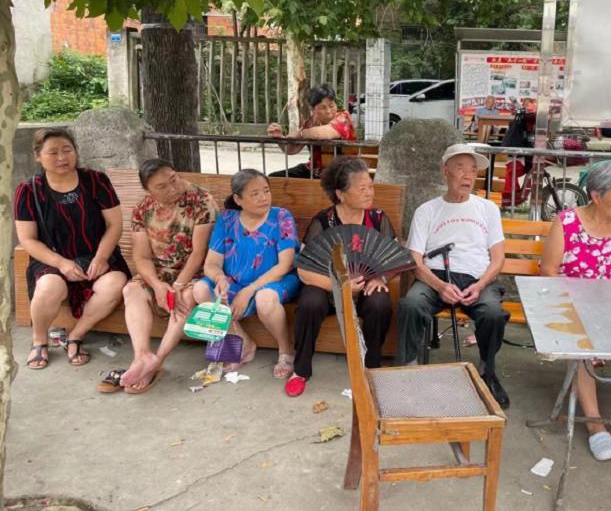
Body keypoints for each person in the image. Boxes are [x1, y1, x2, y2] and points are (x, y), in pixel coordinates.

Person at [540, 160, 611, 461]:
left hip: (606, 308)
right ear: (597, 196)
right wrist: (579, 306)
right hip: (567, 307)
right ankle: (595, 424)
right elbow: (548, 271)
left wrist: (610, 312)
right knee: (581, 345)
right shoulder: (566, 222)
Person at [397, 143, 510, 408]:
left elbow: (498, 259)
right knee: (410, 304)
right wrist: (439, 285)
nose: (468, 175)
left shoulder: (488, 209)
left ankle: (488, 371)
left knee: (493, 314)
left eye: (472, 170)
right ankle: (407, 370)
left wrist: (481, 285)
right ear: (445, 171)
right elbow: (415, 260)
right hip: (434, 276)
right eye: (460, 168)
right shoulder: (427, 210)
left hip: (477, 278)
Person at [14, 127, 130, 369]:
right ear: (38, 156)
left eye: (67, 150)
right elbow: (27, 239)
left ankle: (76, 336)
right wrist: (61, 263)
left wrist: (102, 257)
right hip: (52, 259)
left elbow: (114, 224)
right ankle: (39, 340)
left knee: (115, 283)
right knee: (48, 286)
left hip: (96, 255)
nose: (61, 157)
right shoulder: (29, 191)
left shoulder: (96, 181)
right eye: (53, 152)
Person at [287, 157, 396, 397]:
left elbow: (393, 258)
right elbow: (304, 270)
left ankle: (371, 368)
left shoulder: (378, 219)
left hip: (364, 286)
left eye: (370, 186)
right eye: (362, 188)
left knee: (380, 302)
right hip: (328, 286)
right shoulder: (323, 222)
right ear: (340, 194)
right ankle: (301, 370)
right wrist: (340, 286)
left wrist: (380, 278)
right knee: (310, 302)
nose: (369, 193)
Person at [118, 159, 218, 393]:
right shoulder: (143, 209)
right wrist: (157, 285)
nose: (173, 188)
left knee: (186, 297)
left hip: (194, 272)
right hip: (159, 274)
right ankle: (142, 356)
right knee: (131, 290)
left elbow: (199, 252)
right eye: (162, 186)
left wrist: (179, 284)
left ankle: (157, 361)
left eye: (174, 179)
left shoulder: (201, 201)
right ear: (148, 191)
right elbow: (141, 257)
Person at [192, 169, 301, 379]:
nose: (263, 198)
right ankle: (243, 341)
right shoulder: (226, 219)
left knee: (265, 299)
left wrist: (249, 290)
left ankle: (286, 349)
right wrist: (220, 278)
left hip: (275, 280)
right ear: (238, 199)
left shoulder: (281, 217)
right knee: (200, 290)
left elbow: (285, 265)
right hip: (235, 281)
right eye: (255, 193)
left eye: (266, 191)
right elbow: (212, 263)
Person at [267, 84, 356, 178]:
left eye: (331, 105)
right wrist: (280, 138)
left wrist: (300, 134)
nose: (329, 111)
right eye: (323, 108)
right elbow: (292, 150)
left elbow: (326, 133)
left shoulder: (343, 118)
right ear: (313, 110)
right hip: (315, 170)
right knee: (275, 177)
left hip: (342, 173)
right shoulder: (311, 123)